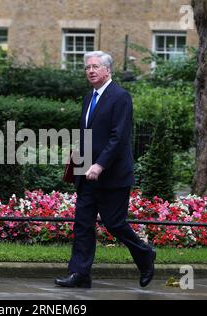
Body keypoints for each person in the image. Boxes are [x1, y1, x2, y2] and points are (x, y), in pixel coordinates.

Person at [55, 51, 156, 288]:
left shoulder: (120, 97)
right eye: (87, 67)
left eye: (95, 67)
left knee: (114, 223)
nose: (90, 71)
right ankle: (79, 274)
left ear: (107, 70)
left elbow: (118, 137)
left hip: (112, 175)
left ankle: (145, 255)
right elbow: (87, 136)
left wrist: (100, 165)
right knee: (82, 223)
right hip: (86, 174)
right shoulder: (88, 98)